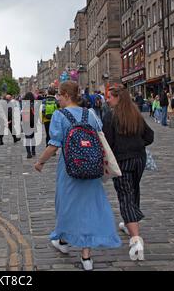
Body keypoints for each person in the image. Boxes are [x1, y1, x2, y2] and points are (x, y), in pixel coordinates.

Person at [34, 81, 121, 271]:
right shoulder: (89, 113)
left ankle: (63, 241)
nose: (57, 98)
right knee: (88, 209)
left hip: (70, 169)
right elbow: (100, 135)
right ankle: (86, 257)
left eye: (58, 95)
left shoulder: (59, 115)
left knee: (66, 206)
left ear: (66, 95)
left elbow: (54, 144)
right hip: (91, 168)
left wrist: (40, 162)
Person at [103, 85, 154, 261]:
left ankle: (136, 240)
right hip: (138, 159)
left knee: (125, 196)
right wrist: (136, 145)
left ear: (118, 98)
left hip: (122, 161)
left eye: (109, 97)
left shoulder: (110, 116)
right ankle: (128, 223)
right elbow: (150, 136)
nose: (107, 100)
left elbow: (107, 143)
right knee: (133, 191)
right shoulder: (136, 114)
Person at [22, 92, 37, 159]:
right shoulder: (35, 104)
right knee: (33, 137)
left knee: (27, 138)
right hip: (33, 122)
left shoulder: (24, 104)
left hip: (26, 122)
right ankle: (33, 151)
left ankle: (28, 153)